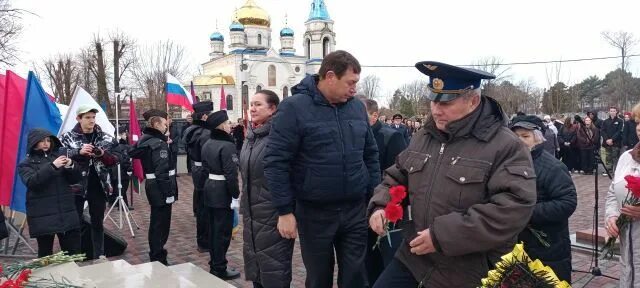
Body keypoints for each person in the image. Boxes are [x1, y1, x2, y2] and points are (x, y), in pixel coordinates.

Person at [369, 61, 536, 287]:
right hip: (415, 258)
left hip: (469, 269)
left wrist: (442, 236)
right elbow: (397, 177)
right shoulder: (424, 137)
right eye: (433, 100)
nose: (437, 109)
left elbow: (513, 207)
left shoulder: (505, 145)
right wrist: (381, 205)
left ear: (473, 100)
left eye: (447, 102)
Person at [264, 50, 380, 288]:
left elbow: (370, 154)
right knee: (319, 279)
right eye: (350, 82)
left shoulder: (357, 109)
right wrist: (285, 211)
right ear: (329, 76)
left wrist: (375, 198)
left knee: (357, 277)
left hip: (355, 210)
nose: (354, 89)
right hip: (315, 213)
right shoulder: (294, 108)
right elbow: (276, 162)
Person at [510, 115, 577, 283]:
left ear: (538, 139)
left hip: (547, 247)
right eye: (515, 136)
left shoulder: (553, 167)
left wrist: (526, 213)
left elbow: (567, 202)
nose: (519, 141)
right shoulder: (507, 163)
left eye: (525, 136)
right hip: (515, 245)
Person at [240, 90, 294, 288]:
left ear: (273, 109)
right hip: (252, 215)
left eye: (258, 104)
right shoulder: (251, 136)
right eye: (251, 104)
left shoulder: (279, 136)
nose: (252, 108)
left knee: (274, 273)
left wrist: (285, 211)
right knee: (257, 273)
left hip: (273, 215)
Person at [60, 104, 120, 259]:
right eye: (87, 117)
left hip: (99, 186)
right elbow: (58, 156)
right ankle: (76, 256)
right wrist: (77, 152)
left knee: (97, 222)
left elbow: (118, 159)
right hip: (76, 186)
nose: (91, 120)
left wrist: (101, 154)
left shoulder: (105, 137)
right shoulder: (67, 137)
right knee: (75, 223)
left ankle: (99, 254)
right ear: (78, 119)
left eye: (93, 117)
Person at [361, 98, 407, 285]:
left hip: (384, 208)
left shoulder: (391, 136)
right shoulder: (353, 136)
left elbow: (398, 175)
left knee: (385, 261)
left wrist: (385, 205)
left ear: (373, 115)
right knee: (365, 262)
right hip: (362, 207)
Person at [18, 128, 82, 257]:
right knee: (45, 254)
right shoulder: (26, 164)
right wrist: (52, 166)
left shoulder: (58, 157)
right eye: (41, 141)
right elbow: (32, 182)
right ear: (33, 143)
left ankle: (73, 277)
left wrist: (71, 166)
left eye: (48, 140)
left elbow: (75, 179)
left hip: (65, 213)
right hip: (43, 216)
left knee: (72, 253)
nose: (46, 143)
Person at [129, 110, 177, 265]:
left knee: (157, 221)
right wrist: (168, 192)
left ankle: (156, 252)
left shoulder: (145, 139)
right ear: (156, 124)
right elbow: (161, 171)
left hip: (153, 186)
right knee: (161, 224)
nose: (166, 127)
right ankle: (158, 256)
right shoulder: (158, 143)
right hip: (160, 187)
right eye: (164, 124)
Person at [202, 110, 241, 280]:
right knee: (222, 231)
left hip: (210, 188)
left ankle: (215, 263)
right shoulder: (227, 145)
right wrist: (235, 195)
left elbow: (204, 168)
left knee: (213, 229)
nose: (230, 125)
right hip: (222, 191)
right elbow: (231, 174)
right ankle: (219, 267)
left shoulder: (208, 142)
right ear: (221, 126)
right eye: (227, 122)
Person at [605, 121, 640, 287]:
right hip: (629, 254)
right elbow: (613, 192)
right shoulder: (626, 157)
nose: (639, 127)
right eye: (638, 122)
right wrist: (612, 216)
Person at [182, 101, 214, 252]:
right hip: (205, 171)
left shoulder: (192, 130)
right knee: (205, 207)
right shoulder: (205, 133)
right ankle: (205, 241)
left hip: (197, 168)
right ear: (205, 116)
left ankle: (203, 239)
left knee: (201, 204)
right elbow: (209, 155)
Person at [602, 107, 623, 176]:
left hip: (616, 142)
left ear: (616, 112)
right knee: (608, 156)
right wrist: (607, 139)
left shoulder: (620, 121)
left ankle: (616, 171)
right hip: (607, 142)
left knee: (615, 157)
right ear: (609, 112)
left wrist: (612, 139)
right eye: (611, 111)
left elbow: (619, 131)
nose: (612, 112)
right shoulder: (605, 121)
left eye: (614, 111)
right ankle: (609, 170)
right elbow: (603, 131)